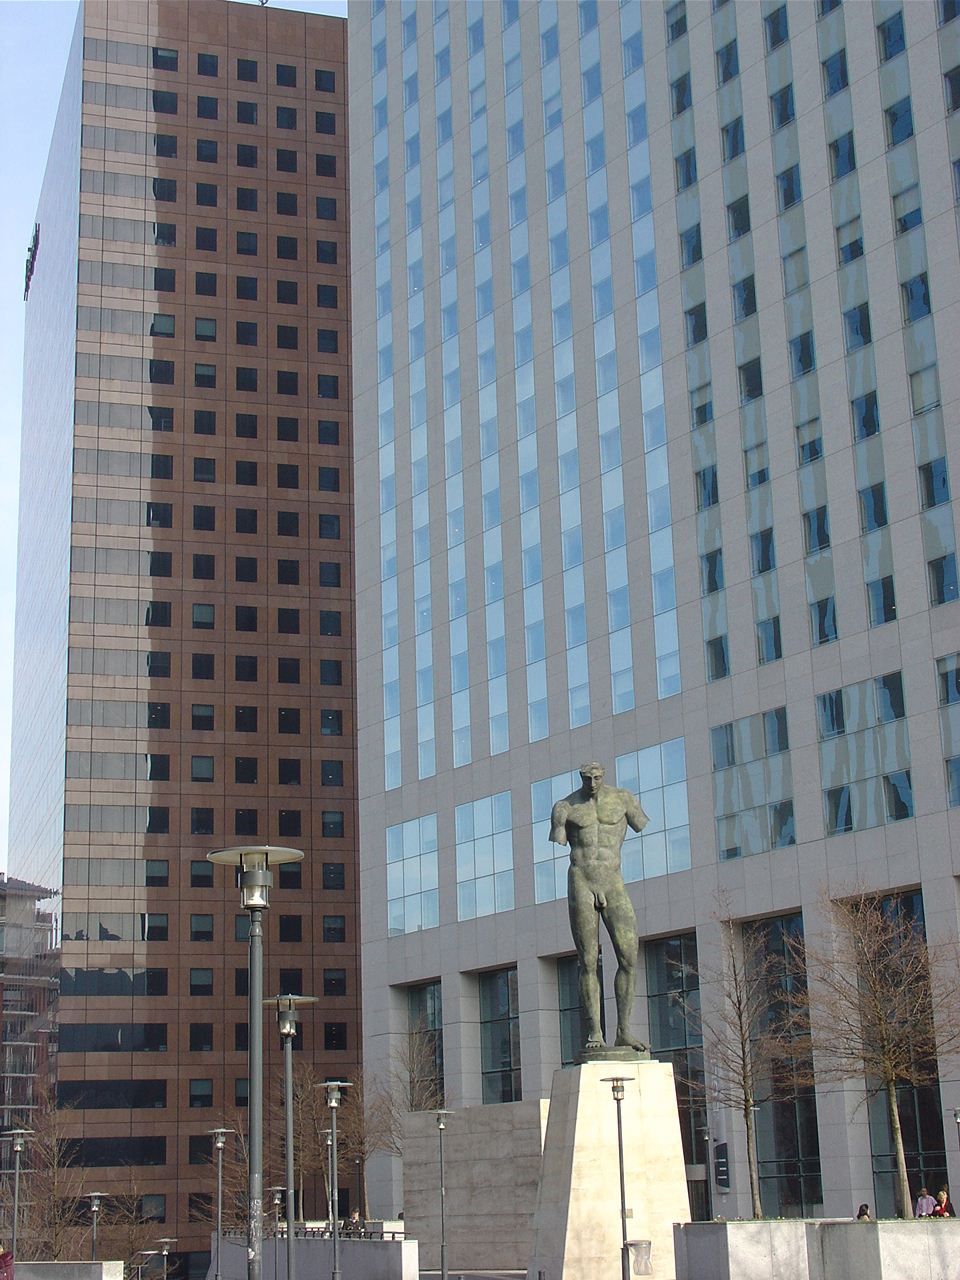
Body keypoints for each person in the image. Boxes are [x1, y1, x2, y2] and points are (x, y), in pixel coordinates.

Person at [550, 762, 648, 1053]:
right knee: (589, 961)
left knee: (629, 956)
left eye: (597, 777)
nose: (592, 782)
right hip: (582, 880)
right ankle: (595, 1032)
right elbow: (559, 840)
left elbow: (640, 823)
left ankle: (624, 1031)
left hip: (613, 881)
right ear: (580, 778)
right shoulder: (565, 807)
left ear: (603, 777)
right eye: (587, 778)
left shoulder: (624, 799)